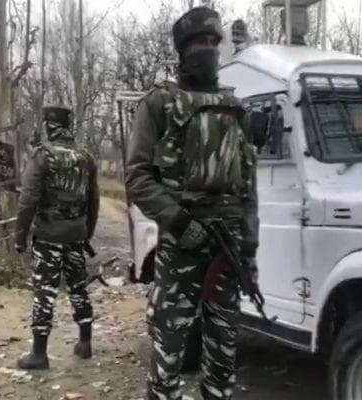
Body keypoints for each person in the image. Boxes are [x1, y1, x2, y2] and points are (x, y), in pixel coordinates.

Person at [124, 6, 260, 400]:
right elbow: (137, 177)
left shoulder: (236, 107)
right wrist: (179, 223)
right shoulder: (159, 103)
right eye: (201, 42)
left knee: (224, 347)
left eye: (215, 42)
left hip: (227, 244)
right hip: (181, 242)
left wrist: (249, 248)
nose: (209, 48)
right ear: (183, 49)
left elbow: (248, 187)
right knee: (169, 343)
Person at [14, 105, 100, 370]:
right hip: (76, 235)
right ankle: (85, 343)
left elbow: (28, 200)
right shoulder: (85, 157)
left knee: (45, 291)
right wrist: (87, 232)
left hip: (48, 235)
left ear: (48, 126)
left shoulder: (43, 156)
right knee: (78, 286)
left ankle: (39, 354)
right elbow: (94, 200)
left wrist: (20, 237)